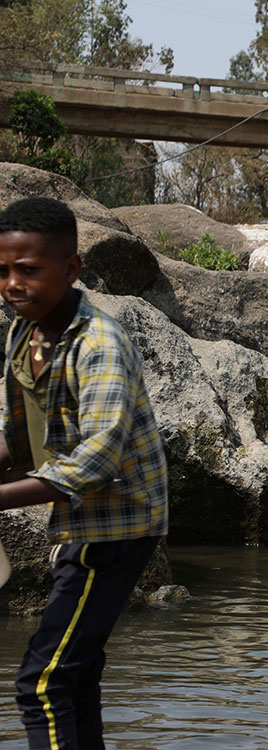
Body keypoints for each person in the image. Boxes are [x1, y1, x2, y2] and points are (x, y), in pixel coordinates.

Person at [0, 196, 169, 748]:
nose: (11, 284)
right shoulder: (23, 335)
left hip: (119, 524)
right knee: (76, 676)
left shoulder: (101, 343)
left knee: (41, 683)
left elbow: (96, 462)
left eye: (28, 270)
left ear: (71, 269)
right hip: (78, 521)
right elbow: (18, 438)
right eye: (2, 271)